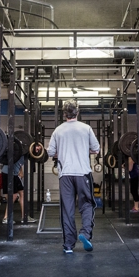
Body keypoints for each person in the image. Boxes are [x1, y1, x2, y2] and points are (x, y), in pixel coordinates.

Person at [47, 99, 100, 254]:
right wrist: (84, 150)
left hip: (65, 175)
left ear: (64, 114)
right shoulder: (86, 128)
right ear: (77, 112)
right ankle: (85, 234)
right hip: (83, 173)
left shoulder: (58, 130)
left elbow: (50, 152)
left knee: (67, 209)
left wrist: (63, 151)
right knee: (87, 204)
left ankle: (69, 245)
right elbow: (96, 149)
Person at [0, 151, 37, 224]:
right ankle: (6, 217)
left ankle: (24, 217)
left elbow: (18, 163)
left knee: (22, 193)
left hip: (15, 174)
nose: (37, 150)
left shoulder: (24, 154)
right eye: (37, 149)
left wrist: (20, 171)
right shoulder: (20, 151)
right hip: (8, 173)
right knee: (14, 196)